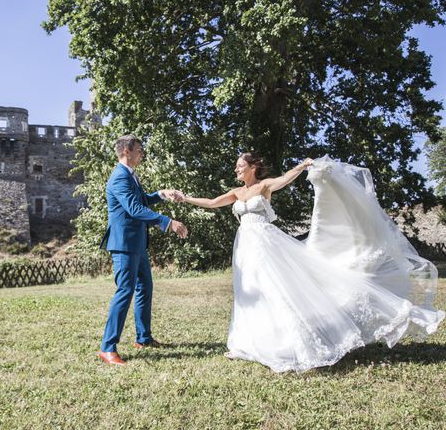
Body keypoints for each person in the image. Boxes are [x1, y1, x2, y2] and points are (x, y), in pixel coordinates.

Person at [175, 153, 444, 372]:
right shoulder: (236, 192)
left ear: (253, 167)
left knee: (275, 288)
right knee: (249, 290)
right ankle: (246, 343)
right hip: (245, 245)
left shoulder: (264, 186)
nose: (236, 169)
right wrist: (184, 197)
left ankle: (289, 339)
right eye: (236, 167)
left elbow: (286, 179)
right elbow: (211, 203)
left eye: (240, 166)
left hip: (267, 243)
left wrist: (302, 166)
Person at [97, 135, 188, 366]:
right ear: (126, 151)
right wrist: (168, 222)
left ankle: (143, 338)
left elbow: (141, 200)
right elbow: (134, 208)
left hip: (137, 243)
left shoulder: (131, 176)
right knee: (125, 291)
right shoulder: (119, 177)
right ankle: (107, 348)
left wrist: (160, 194)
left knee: (145, 287)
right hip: (124, 245)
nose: (142, 153)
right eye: (139, 149)